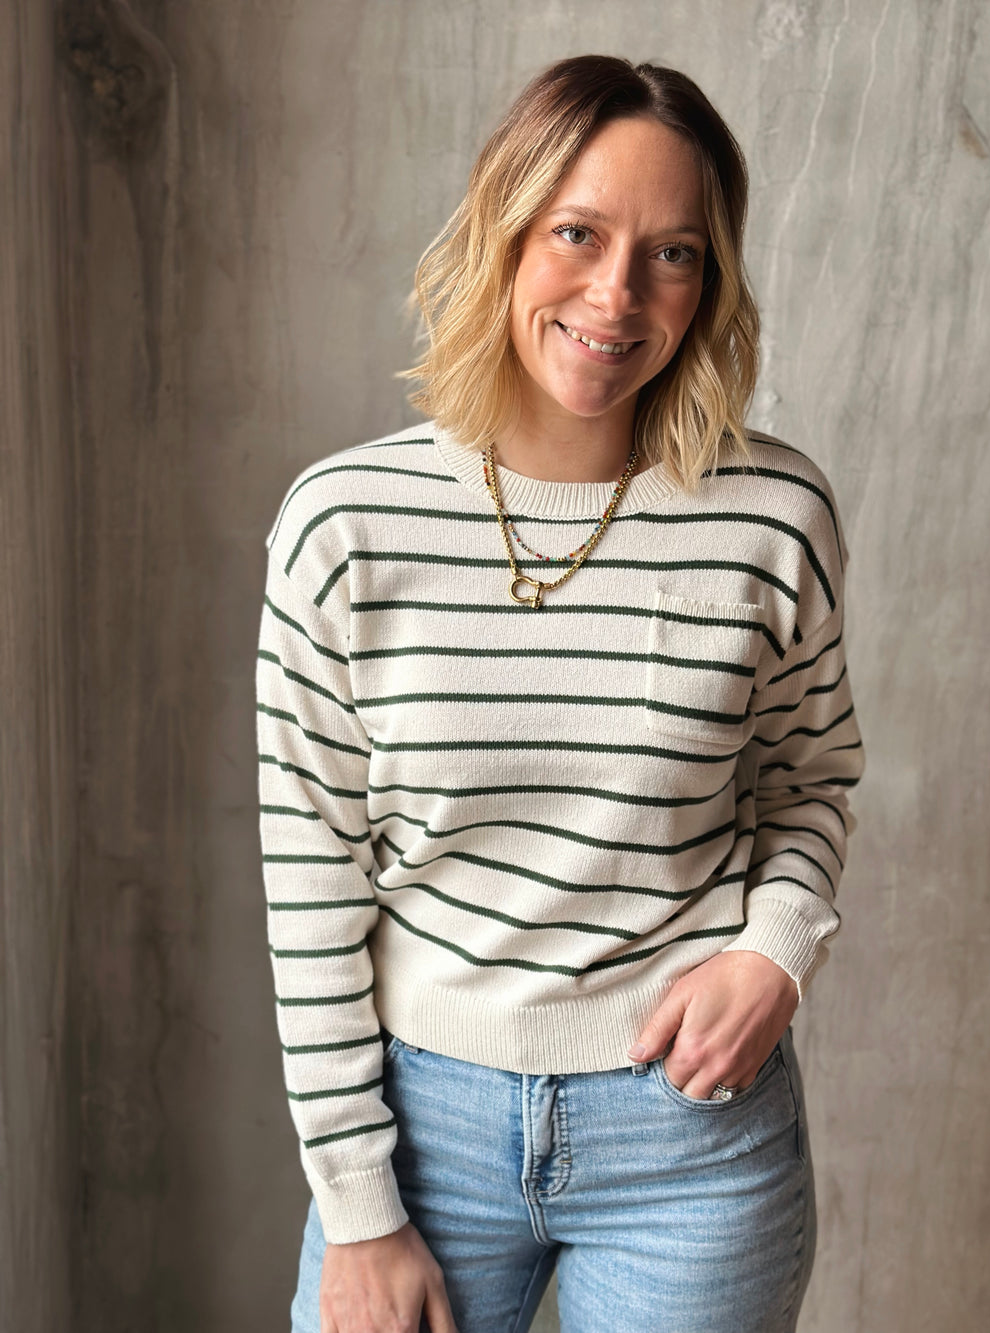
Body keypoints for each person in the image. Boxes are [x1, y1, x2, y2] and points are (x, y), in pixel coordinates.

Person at [256, 54, 864, 1333]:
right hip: (418, 1134)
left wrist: (777, 948)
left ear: (713, 281)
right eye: (577, 233)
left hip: (692, 1147)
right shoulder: (346, 523)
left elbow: (809, 779)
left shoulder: (771, 518)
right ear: (504, 231)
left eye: (674, 253)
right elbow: (310, 867)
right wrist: (360, 1207)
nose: (617, 293)